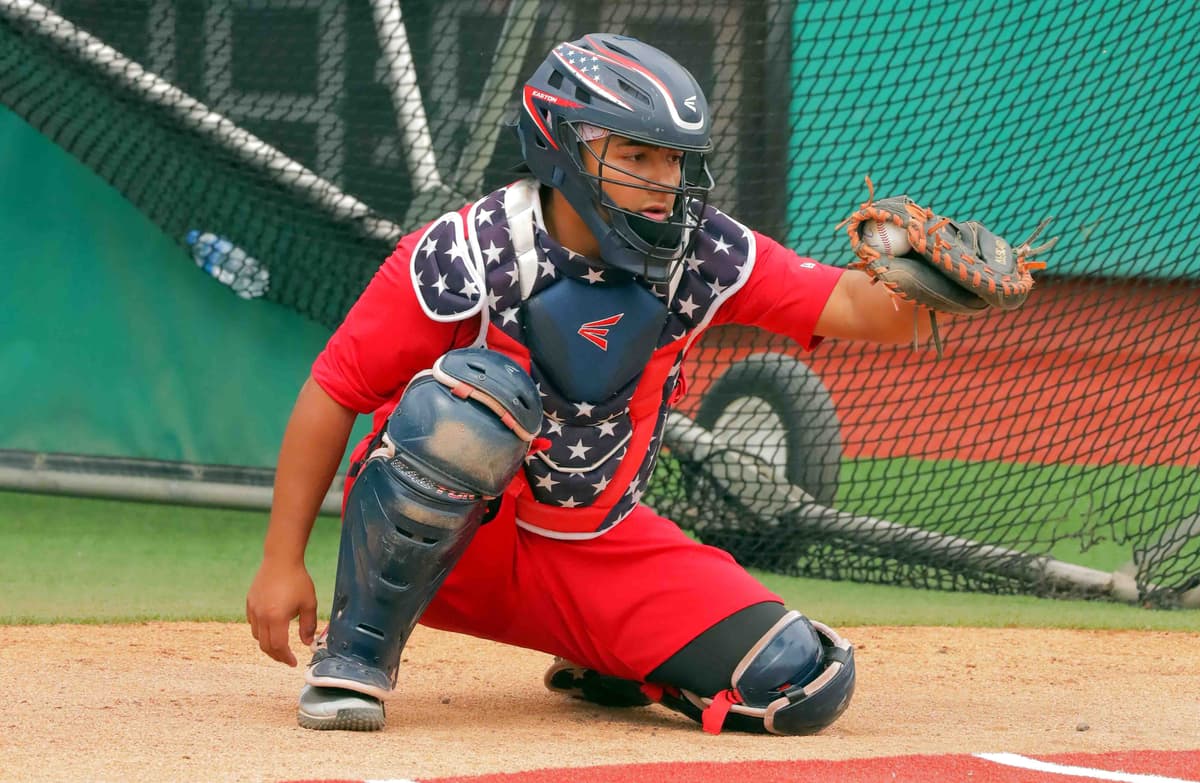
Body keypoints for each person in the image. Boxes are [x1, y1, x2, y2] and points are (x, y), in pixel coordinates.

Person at [245, 32, 934, 735]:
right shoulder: (465, 253)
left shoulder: (701, 249)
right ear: (559, 145)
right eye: (636, 155)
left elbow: (853, 306)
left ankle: (605, 652)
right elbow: (334, 390)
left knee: (802, 678)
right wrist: (281, 561)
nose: (664, 181)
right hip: (448, 545)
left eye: (674, 159)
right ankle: (355, 654)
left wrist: (925, 285)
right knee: (475, 407)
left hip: (592, 538)